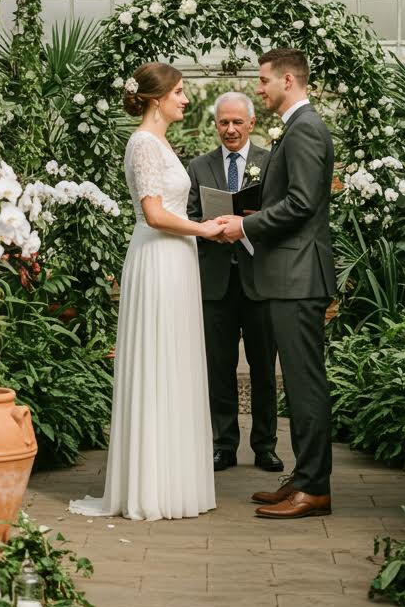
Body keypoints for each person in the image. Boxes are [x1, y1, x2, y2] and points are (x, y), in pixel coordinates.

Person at [69, 62, 225, 521]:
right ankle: (149, 487)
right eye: (179, 92)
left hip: (176, 259)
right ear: (156, 98)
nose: (185, 99)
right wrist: (204, 229)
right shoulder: (142, 144)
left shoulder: (159, 142)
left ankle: (174, 482)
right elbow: (154, 214)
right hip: (158, 257)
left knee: (174, 362)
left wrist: (199, 231)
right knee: (157, 359)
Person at [216, 48, 335, 520]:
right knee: (302, 384)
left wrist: (245, 227)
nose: (258, 88)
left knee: (305, 385)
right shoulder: (299, 127)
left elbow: (303, 203)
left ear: (288, 80)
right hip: (291, 275)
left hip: (298, 276)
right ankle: (305, 478)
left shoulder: (305, 129)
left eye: (263, 80)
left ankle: (315, 488)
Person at [187, 92, 283, 474]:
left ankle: (265, 446)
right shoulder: (198, 166)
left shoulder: (271, 162)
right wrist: (214, 230)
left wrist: (250, 223)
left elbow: (280, 213)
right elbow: (191, 217)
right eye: (223, 123)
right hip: (216, 283)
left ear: (251, 123)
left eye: (237, 122)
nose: (230, 129)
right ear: (216, 125)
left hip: (259, 280)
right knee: (219, 367)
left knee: (264, 368)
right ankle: (224, 444)